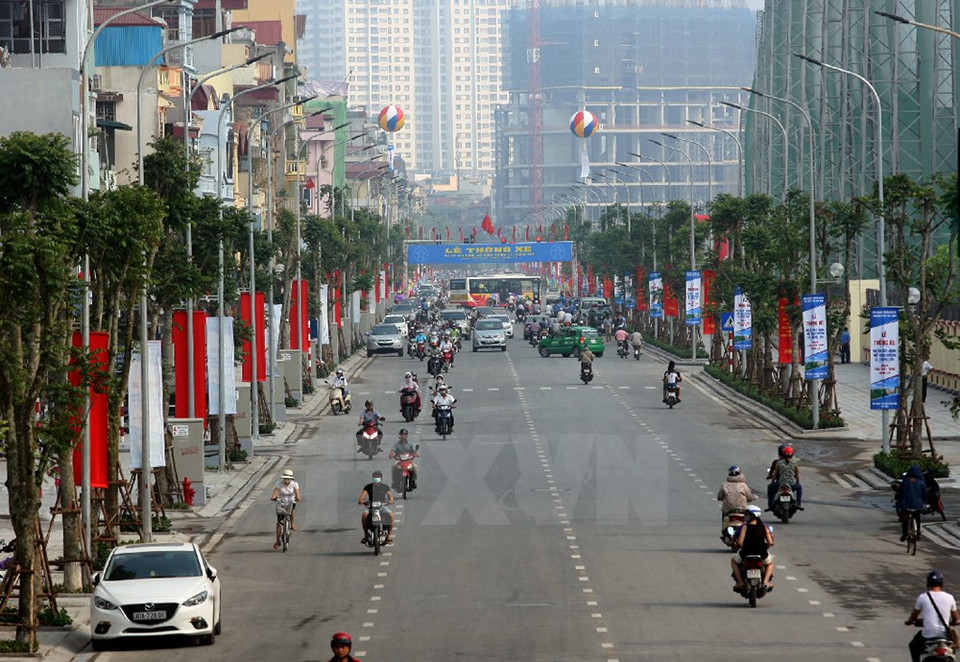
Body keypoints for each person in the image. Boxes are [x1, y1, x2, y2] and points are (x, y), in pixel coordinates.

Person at [905, 570, 958, 662]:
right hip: (945, 636)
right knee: (953, 647)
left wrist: (910, 621)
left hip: (927, 636)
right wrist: (954, 622)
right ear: (942, 583)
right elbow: (956, 619)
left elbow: (914, 616)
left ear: (928, 583)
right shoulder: (950, 597)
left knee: (913, 646)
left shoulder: (923, 597)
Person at [731, 505, 774, 590]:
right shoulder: (764, 527)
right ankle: (765, 582)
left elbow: (740, 543)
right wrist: (766, 547)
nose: (746, 517)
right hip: (762, 554)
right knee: (770, 563)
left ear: (751, 515)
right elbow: (770, 542)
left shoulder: (745, 527)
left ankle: (740, 582)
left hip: (746, 553)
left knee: (734, 561)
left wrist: (740, 544)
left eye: (747, 514)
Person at [358, 470, 395, 545]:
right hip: (371, 507)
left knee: (391, 515)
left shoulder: (385, 487)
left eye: (378, 476)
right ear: (372, 478)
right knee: (364, 515)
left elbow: (390, 496)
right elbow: (362, 496)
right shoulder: (368, 487)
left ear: (381, 478)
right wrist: (361, 501)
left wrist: (391, 500)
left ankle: (389, 535)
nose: (376, 478)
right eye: (375, 477)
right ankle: (365, 535)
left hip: (381, 506)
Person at [270, 469, 301, 549]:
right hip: (281, 502)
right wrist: (273, 497)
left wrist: (298, 498)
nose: (286, 480)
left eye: (288, 479)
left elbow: (297, 494)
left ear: (291, 479)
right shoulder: (279, 484)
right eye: (285, 478)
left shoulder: (294, 484)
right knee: (279, 523)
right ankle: (277, 540)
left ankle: (292, 524)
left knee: (292, 510)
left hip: (290, 501)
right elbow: (275, 492)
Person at [767, 444, 803, 510]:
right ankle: (799, 504)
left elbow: (775, 475)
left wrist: (772, 481)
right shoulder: (795, 463)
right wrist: (797, 482)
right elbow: (797, 475)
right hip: (791, 484)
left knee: (770, 487)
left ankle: (770, 505)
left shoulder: (778, 463)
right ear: (792, 455)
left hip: (780, 484)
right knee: (799, 487)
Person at [897, 464, 927, 542]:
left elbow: (900, 492)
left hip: (906, 505)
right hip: (917, 506)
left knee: (904, 520)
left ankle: (904, 534)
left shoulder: (905, 481)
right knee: (917, 518)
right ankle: (918, 533)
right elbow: (925, 495)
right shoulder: (921, 483)